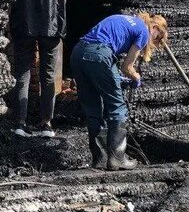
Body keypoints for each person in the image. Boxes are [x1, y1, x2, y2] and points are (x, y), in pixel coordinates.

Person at [71, 12, 168, 170]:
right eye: (157, 38)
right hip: (99, 54)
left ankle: (100, 159)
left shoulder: (126, 20)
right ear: (155, 27)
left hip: (78, 54)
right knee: (118, 107)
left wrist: (117, 78)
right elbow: (127, 67)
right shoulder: (144, 31)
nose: (154, 42)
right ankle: (117, 158)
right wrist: (136, 77)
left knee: (93, 108)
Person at [9, 0, 67, 138]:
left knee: (22, 74)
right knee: (49, 77)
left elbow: (12, 3)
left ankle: (20, 123)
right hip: (51, 29)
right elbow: (63, 1)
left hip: (24, 27)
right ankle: (46, 124)